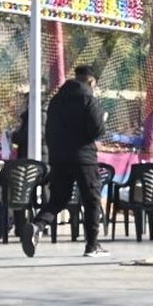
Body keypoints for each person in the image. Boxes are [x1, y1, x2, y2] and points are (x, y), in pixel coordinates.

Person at [17, 64, 109, 259]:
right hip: (84, 158)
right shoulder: (88, 99)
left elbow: (49, 130)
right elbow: (97, 131)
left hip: (58, 158)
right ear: (91, 81)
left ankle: (37, 226)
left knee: (58, 198)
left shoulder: (56, 100)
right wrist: (103, 119)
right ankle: (92, 245)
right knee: (91, 199)